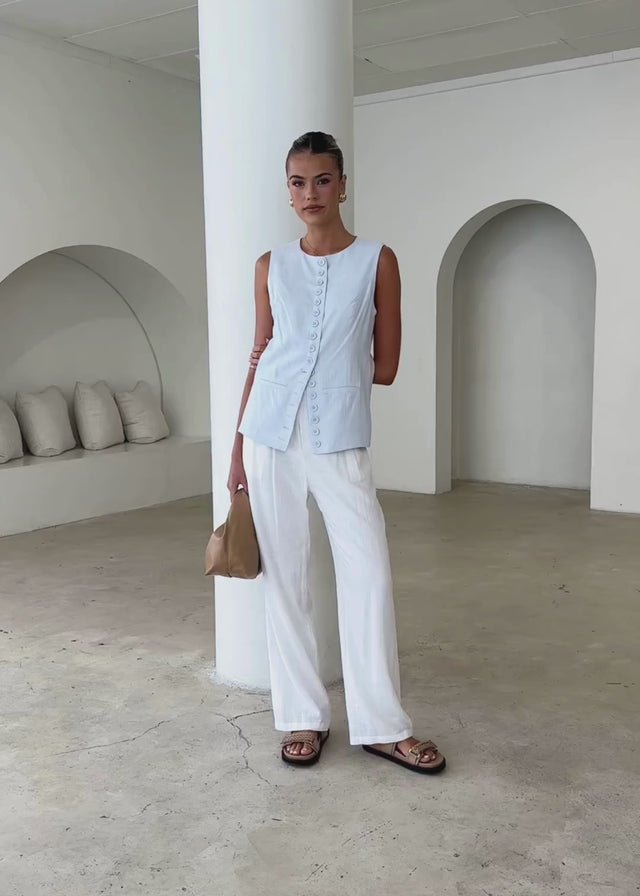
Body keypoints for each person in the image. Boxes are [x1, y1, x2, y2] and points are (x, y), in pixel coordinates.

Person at [227, 131, 445, 775]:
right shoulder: (270, 265)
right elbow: (259, 355)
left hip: (339, 438)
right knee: (284, 579)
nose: (310, 194)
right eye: (298, 183)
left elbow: (388, 365)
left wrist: (330, 375)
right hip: (268, 436)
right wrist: (237, 450)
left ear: (342, 186)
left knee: (368, 575)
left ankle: (383, 726)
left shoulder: (377, 260)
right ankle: (302, 716)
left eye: (322, 180)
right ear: (288, 191)